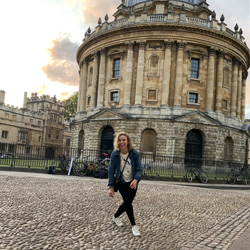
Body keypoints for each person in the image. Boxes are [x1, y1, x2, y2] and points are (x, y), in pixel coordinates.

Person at [108, 131, 142, 237]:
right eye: (119, 140)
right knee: (127, 201)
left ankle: (115, 216)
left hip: (132, 182)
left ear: (127, 141)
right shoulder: (115, 154)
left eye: (123, 140)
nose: (121, 142)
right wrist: (110, 186)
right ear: (117, 142)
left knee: (127, 203)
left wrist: (136, 180)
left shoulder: (134, 153)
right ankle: (134, 226)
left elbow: (139, 169)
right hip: (121, 181)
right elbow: (111, 170)